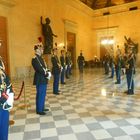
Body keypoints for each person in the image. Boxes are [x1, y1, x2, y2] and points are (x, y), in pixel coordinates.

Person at [32, 45, 51, 115]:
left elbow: (45, 67)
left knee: (43, 94)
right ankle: (39, 110)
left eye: (42, 49)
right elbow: (39, 69)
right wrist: (46, 74)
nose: (42, 50)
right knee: (40, 94)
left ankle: (42, 107)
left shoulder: (41, 58)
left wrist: (48, 72)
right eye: (41, 49)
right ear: (37, 50)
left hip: (44, 78)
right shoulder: (34, 59)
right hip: (40, 79)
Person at [0, 56, 14, 140]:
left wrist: (10, 95)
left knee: (4, 130)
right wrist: (5, 99)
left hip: (4, 103)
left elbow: (6, 80)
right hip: (2, 101)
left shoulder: (0, 59)